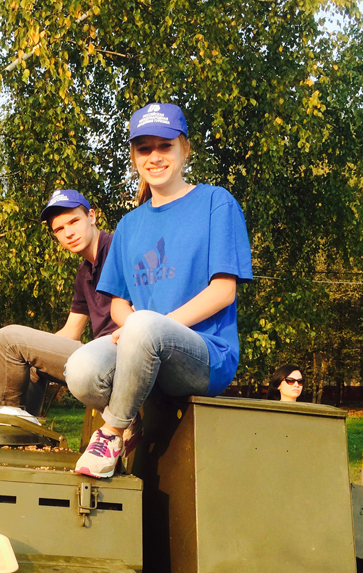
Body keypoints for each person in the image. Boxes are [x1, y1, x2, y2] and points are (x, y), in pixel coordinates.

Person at [65, 103, 253, 478]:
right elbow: (118, 304)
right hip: (145, 345)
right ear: (134, 156)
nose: (155, 157)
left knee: (144, 326)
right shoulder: (129, 225)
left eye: (165, 146)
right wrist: (134, 329)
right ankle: (131, 417)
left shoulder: (216, 202)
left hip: (206, 354)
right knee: (80, 368)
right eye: (144, 148)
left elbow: (223, 292)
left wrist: (150, 328)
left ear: (185, 148)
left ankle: (112, 432)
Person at [0, 190, 118, 416]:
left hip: (118, 358)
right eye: (59, 229)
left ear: (91, 217)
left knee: (8, 338)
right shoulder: (84, 272)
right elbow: (71, 332)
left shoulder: (119, 249)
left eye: (74, 222)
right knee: (29, 362)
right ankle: (25, 430)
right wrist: (36, 350)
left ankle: (8, 427)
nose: (68, 233)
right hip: (97, 355)